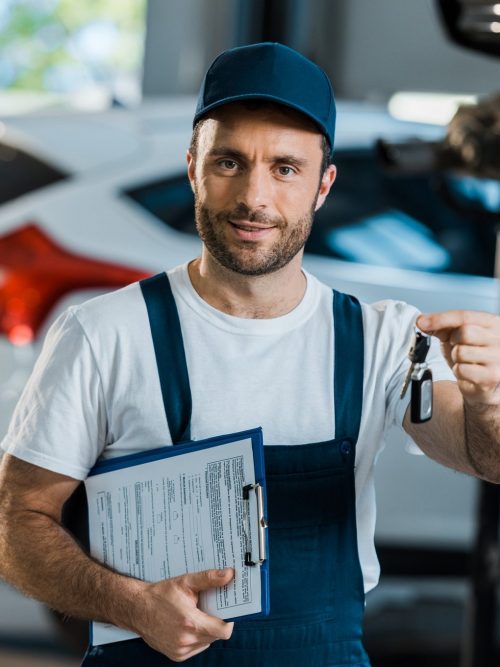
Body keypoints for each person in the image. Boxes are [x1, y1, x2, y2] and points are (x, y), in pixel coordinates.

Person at [0, 42, 500, 667]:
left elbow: (487, 458)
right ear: (193, 168)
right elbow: (17, 520)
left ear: (324, 185)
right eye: (230, 162)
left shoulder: (383, 341)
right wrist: (130, 604)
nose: (254, 197)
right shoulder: (106, 333)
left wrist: (489, 403)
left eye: (285, 168)